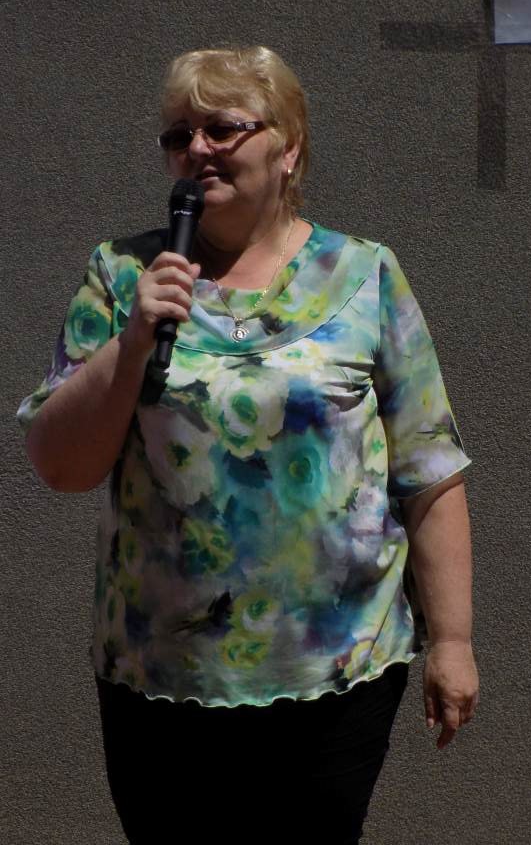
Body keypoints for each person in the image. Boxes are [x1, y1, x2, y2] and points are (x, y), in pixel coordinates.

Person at [18, 45, 478, 843]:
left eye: (222, 128)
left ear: (287, 147)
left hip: (334, 673)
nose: (197, 149)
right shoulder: (123, 276)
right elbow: (62, 465)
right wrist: (133, 341)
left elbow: (429, 469)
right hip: (161, 679)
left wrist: (454, 641)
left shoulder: (364, 275)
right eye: (179, 136)